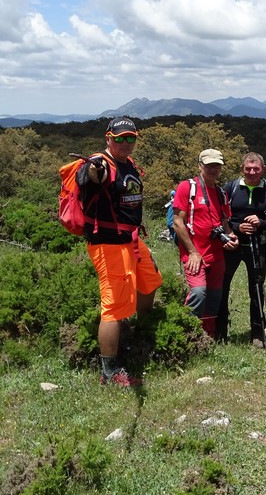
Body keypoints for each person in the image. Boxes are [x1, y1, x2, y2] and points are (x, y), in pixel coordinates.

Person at [77, 117, 162, 386]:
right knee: (113, 306)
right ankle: (109, 371)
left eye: (130, 138)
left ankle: (141, 333)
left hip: (132, 239)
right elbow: (90, 177)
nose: (126, 143)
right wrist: (94, 169)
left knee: (150, 283)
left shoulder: (129, 165)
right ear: (108, 137)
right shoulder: (101, 163)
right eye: (120, 138)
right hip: (108, 244)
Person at [172, 148, 239, 337]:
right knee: (199, 292)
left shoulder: (220, 193)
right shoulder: (187, 187)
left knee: (214, 299)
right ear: (200, 166)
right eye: (209, 165)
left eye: (216, 165)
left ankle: (207, 338)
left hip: (217, 255)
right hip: (195, 254)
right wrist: (193, 252)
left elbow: (225, 223)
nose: (213, 169)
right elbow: (178, 223)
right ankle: (185, 335)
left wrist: (231, 237)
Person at [219, 152, 266, 347]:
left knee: (257, 289)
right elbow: (220, 217)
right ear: (242, 168)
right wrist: (236, 227)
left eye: (256, 168)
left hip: (257, 245)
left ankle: (257, 333)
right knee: (223, 287)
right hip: (232, 245)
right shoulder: (231, 188)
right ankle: (220, 331)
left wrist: (261, 222)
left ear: (263, 169)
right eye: (248, 168)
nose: (252, 172)